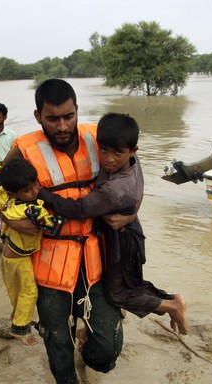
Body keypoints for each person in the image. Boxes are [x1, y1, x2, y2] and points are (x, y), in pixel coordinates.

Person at [0, 79, 127, 384]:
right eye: (53, 119)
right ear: (38, 116)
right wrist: (9, 219)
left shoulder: (99, 138)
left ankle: (90, 348)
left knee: (108, 351)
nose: (63, 126)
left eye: (68, 116)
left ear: (78, 110)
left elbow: (133, 172)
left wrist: (131, 212)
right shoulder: (23, 149)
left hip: (95, 258)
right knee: (57, 344)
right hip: (49, 263)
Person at [38, 113, 188, 335]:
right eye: (104, 150)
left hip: (124, 239)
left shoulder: (115, 188)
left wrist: (39, 191)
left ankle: (171, 305)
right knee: (126, 283)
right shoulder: (132, 162)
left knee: (119, 292)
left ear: (132, 151)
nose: (109, 159)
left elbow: (77, 210)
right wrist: (132, 211)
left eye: (118, 153)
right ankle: (166, 302)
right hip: (126, 228)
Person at [0, 159, 64, 346]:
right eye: (27, 190)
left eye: (35, 185)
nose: (34, 191)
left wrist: (1, 169)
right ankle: (20, 329)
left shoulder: (6, 199)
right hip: (19, 258)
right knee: (29, 292)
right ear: (13, 192)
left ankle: (17, 315)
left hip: (10, 257)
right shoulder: (31, 209)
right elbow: (54, 227)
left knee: (16, 291)